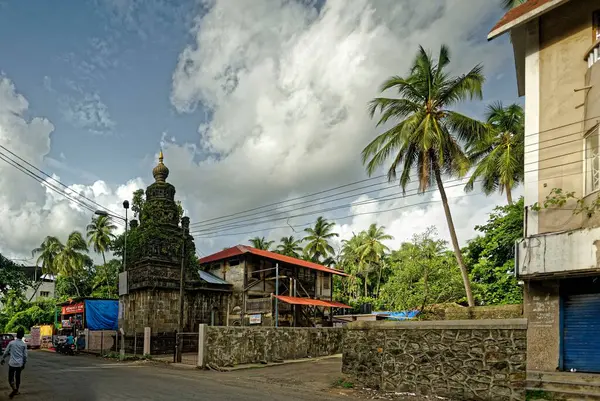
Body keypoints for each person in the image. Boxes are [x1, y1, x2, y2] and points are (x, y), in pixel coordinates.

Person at [1, 328, 27, 398]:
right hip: (19, 364)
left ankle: (14, 389)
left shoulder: (11, 343)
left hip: (12, 364)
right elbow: (25, 356)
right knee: (18, 377)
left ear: (16, 335)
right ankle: (17, 390)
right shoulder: (24, 345)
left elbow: (6, 352)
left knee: (10, 379)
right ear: (22, 336)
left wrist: (3, 359)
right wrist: (24, 363)